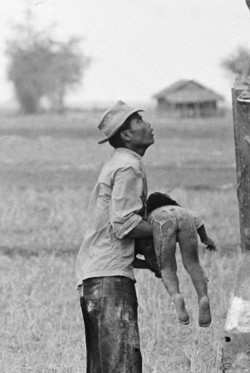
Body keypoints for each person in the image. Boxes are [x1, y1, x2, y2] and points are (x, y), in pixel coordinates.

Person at [75, 101, 156, 373]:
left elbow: (112, 230)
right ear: (127, 135)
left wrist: (148, 263)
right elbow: (124, 224)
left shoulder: (117, 163)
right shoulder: (128, 167)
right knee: (122, 366)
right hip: (109, 280)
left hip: (94, 275)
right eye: (140, 122)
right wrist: (169, 229)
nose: (148, 125)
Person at [136, 192, 216, 326]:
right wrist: (206, 240)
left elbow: (148, 244)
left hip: (162, 222)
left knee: (167, 268)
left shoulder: (151, 215)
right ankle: (203, 297)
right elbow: (199, 223)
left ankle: (177, 297)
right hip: (186, 220)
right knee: (193, 264)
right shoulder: (183, 211)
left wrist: (153, 264)